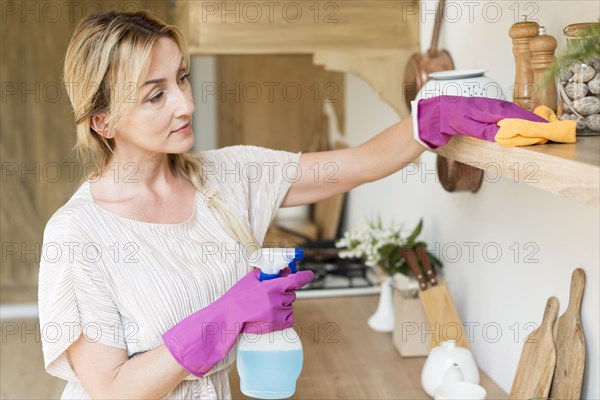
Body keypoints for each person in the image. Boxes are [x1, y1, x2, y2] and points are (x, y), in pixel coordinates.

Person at [37, 10, 426, 400]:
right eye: (156, 95)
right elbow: (111, 390)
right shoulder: (77, 232)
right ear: (103, 122)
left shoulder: (231, 175)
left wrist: (427, 122)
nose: (185, 104)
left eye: (182, 78)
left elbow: (356, 164)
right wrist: (226, 316)